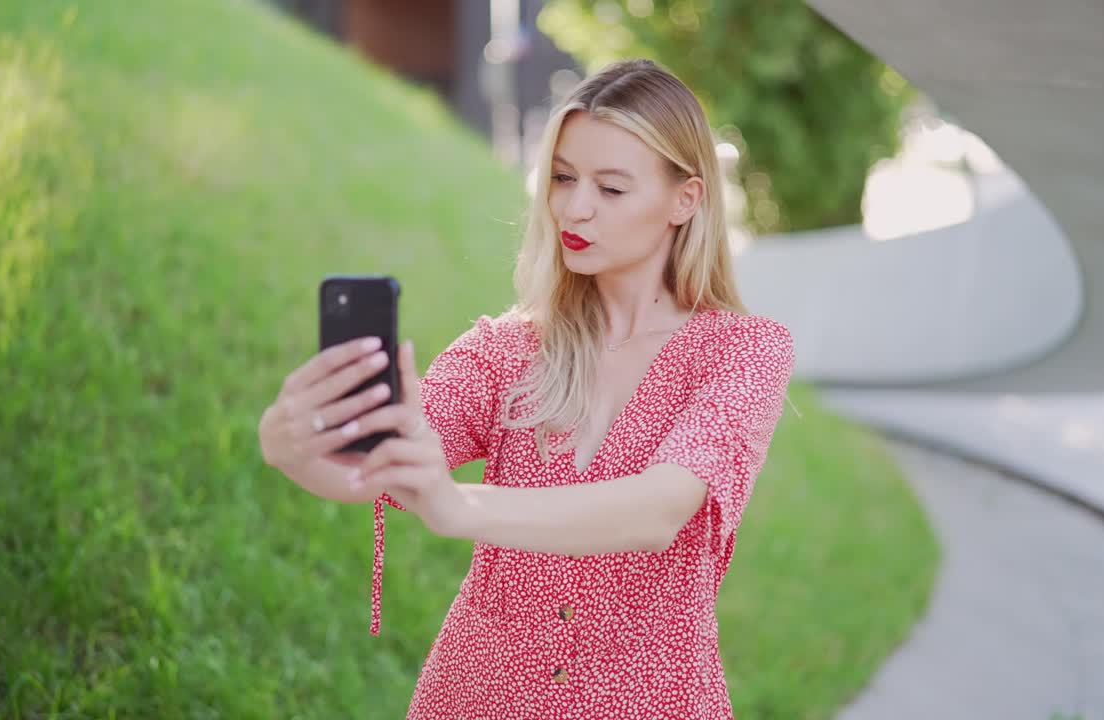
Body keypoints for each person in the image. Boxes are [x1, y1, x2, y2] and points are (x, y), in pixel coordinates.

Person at [258, 58, 797, 719]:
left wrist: (461, 506)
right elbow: (375, 466)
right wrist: (293, 444)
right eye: (564, 178)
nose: (574, 206)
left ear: (685, 200)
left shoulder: (744, 352)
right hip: (477, 697)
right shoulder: (505, 348)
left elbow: (659, 512)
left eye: (612, 188)